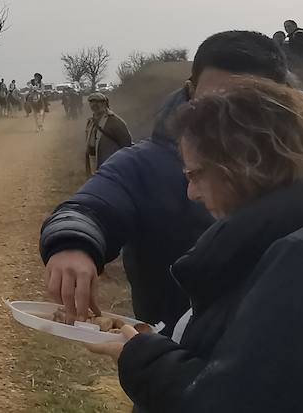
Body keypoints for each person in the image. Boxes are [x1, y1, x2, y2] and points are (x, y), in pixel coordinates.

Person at [93, 79, 303, 412]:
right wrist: (147, 338)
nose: (192, 193)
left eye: (196, 175)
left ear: (245, 164)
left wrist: (142, 358)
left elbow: (232, 401)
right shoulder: (274, 245)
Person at [39, 30, 289, 329]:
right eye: (212, 101)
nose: (226, 118)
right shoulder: (146, 163)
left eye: (249, 104)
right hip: (166, 359)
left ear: (284, 101)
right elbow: (90, 206)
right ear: (190, 90)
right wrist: (73, 245)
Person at [83, 92, 131, 176]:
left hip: (111, 163)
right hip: (93, 160)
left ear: (104, 103)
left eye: (98, 102)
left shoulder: (114, 121)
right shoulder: (90, 121)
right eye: (92, 102)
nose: (94, 105)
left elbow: (126, 143)